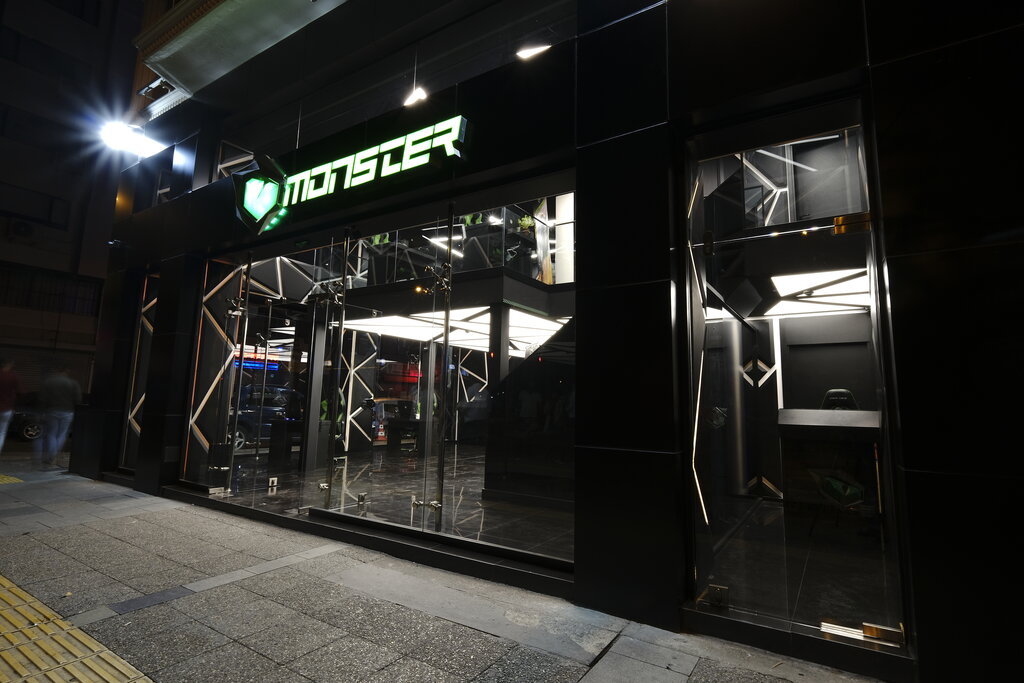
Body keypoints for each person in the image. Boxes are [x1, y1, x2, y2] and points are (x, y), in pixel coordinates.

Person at [37, 365, 81, 469]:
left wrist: (42, 411)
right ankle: (54, 455)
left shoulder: (49, 382)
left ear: (57, 370)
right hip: (68, 411)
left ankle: (51, 456)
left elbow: (42, 398)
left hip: (52, 411)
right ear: (67, 371)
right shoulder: (73, 383)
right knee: (62, 434)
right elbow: (78, 399)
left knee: (51, 433)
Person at [0, 358, 22, 457]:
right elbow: (19, 392)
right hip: (6, 409)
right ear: (8, 364)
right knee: (1, 432)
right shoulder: (13, 376)